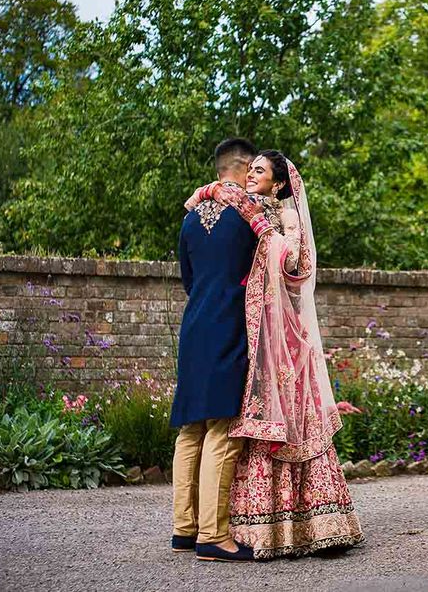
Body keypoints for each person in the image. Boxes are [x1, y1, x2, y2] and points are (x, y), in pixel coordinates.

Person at [189, 150, 364, 559]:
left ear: (280, 183)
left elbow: (295, 267)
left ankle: (312, 523)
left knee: (289, 421)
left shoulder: (283, 218)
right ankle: (245, 527)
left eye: (260, 171)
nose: (251, 175)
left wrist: (262, 228)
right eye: (249, 169)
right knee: (248, 422)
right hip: (254, 333)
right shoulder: (248, 215)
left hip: (283, 338)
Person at [169, 137, 259, 563]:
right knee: (223, 429)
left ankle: (183, 530)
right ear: (243, 169)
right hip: (229, 324)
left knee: (191, 429)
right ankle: (214, 535)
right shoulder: (248, 216)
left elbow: (188, 279)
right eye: (254, 170)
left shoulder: (189, 218)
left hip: (195, 325)